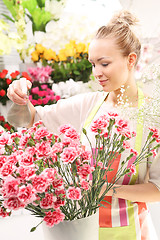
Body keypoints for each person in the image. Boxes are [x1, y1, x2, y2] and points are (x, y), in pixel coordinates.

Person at [7, 10, 160, 240]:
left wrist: (107, 188)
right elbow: (29, 120)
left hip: (132, 234)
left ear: (131, 60)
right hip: (82, 233)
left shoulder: (152, 116)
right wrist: (19, 94)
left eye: (104, 63)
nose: (96, 73)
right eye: (93, 64)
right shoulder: (88, 105)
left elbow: (157, 190)